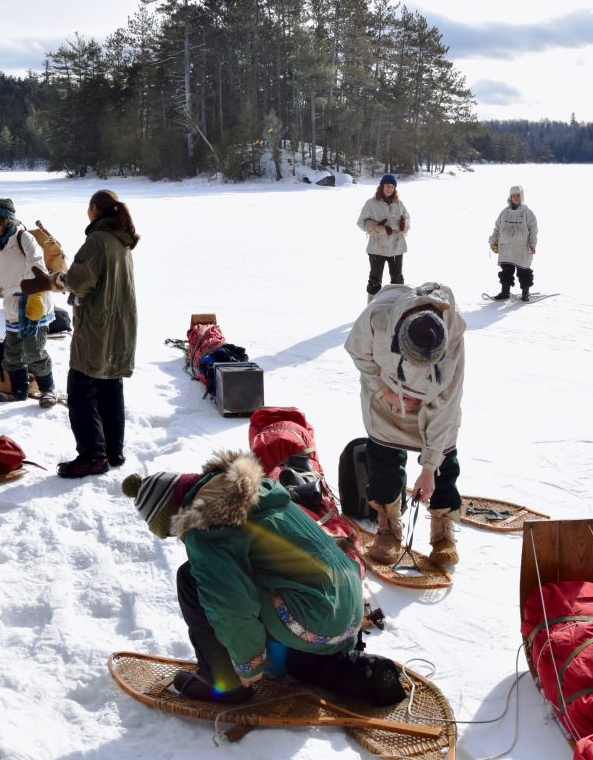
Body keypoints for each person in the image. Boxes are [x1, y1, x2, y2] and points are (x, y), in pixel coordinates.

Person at [123, 452, 403, 707]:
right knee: (255, 579)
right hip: (347, 615)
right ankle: (337, 667)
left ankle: (225, 682)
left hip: (314, 618)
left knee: (192, 578)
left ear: (174, 513)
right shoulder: (258, 492)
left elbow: (231, 603)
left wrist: (248, 664)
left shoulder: (207, 524)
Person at [343, 283, 468, 570]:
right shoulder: (378, 315)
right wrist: (381, 389)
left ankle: (443, 531)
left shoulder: (454, 336)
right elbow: (357, 351)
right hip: (386, 397)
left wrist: (428, 469)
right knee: (383, 460)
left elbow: (447, 403)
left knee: (444, 464)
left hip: (433, 404)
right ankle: (388, 529)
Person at [56, 189, 138, 478]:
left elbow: (79, 280)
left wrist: (58, 279)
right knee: (109, 385)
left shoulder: (98, 240)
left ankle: (92, 456)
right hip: (120, 327)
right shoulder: (121, 240)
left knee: (81, 389)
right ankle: (112, 451)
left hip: (97, 327)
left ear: (94, 209)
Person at [0, 197, 57, 406]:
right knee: (12, 352)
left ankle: (47, 390)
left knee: (34, 351)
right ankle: (19, 391)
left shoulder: (24, 238)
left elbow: (38, 266)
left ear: (6, 218)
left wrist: (34, 297)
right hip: (13, 306)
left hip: (34, 304)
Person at [356, 173, 409, 296]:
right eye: (387, 186)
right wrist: (379, 228)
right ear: (381, 186)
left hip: (397, 247)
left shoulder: (399, 203)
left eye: (392, 186)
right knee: (375, 281)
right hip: (377, 248)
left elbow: (407, 218)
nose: (389, 189)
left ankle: (397, 309)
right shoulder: (371, 203)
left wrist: (404, 224)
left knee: (398, 281)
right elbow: (361, 223)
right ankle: (372, 311)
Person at [487, 185, 539, 301]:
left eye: (517, 195)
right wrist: (493, 239)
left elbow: (533, 230)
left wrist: (532, 244)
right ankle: (505, 292)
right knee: (506, 270)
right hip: (506, 247)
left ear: (521, 196)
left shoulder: (528, 213)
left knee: (524, 270)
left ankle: (525, 293)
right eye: (513, 195)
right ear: (510, 197)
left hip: (522, 248)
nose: (515, 197)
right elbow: (497, 228)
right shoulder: (504, 213)